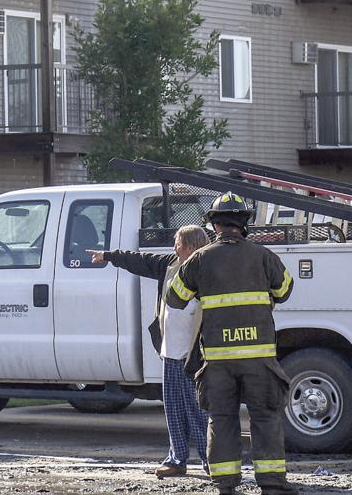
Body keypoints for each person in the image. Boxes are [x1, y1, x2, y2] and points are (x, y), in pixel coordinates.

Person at [165, 192, 296, 495]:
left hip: (218, 362)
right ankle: (272, 484)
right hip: (259, 359)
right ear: (245, 223)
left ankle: (225, 484)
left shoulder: (200, 258)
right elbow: (285, 289)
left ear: (213, 224)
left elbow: (175, 297)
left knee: (221, 420)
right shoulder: (263, 256)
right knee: (265, 418)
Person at [90, 224, 211, 479]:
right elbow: (141, 261)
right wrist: (109, 256)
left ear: (189, 247)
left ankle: (210, 462)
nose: (174, 247)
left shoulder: (209, 270)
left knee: (197, 411)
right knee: (174, 409)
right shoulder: (170, 264)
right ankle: (177, 460)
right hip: (170, 353)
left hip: (195, 357)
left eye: (177, 243)